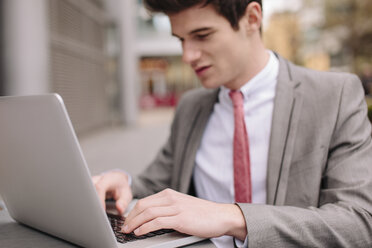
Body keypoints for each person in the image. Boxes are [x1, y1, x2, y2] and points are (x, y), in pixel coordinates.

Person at [93, 1, 372, 247]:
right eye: (180, 40)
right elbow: (155, 183)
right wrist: (123, 181)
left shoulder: (334, 96)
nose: (188, 55)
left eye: (202, 36)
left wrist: (230, 216)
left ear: (252, 19)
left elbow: (360, 222)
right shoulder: (192, 106)